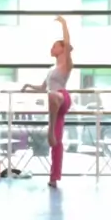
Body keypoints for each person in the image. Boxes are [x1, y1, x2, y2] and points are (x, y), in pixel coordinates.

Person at [21, 15, 73, 188]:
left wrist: (63, 24)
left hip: (62, 98)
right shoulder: (51, 69)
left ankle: (50, 130)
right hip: (53, 103)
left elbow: (67, 42)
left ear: (63, 49)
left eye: (55, 46)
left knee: (52, 96)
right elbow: (43, 88)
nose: (52, 48)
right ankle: (54, 178)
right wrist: (28, 86)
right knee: (57, 142)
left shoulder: (66, 65)